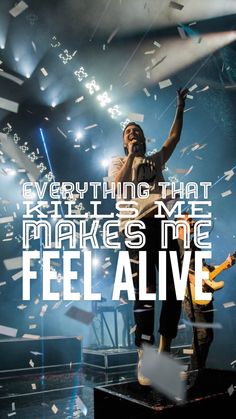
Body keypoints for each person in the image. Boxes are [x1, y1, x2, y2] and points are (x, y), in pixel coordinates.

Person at [108, 88, 188, 385]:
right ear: (124, 141)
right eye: (129, 132)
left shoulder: (156, 161)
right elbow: (118, 188)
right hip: (136, 227)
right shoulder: (118, 162)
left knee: (173, 288)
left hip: (162, 224)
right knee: (144, 291)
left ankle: (164, 354)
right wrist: (130, 156)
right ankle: (145, 356)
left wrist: (180, 106)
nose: (133, 134)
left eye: (137, 131)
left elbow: (174, 139)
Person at [178, 213, 235, 370]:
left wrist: (225, 264)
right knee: (202, 335)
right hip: (191, 296)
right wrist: (196, 280)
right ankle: (195, 372)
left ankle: (197, 370)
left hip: (203, 294)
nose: (193, 222)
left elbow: (204, 269)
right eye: (189, 220)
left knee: (207, 336)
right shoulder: (176, 244)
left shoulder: (194, 244)